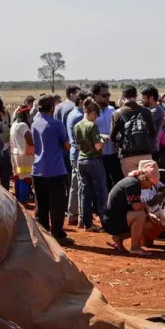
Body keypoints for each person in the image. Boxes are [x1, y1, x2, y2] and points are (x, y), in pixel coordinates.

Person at [31, 94, 74, 246]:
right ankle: (57, 234)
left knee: (41, 204)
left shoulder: (34, 124)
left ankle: (42, 234)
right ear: (52, 108)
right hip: (55, 169)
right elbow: (66, 145)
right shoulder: (56, 125)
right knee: (57, 204)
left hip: (37, 169)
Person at [103, 161, 160, 255]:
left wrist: (148, 212)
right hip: (111, 220)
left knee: (147, 222)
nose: (150, 187)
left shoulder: (134, 182)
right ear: (145, 179)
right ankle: (135, 247)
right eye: (151, 184)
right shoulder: (133, 184)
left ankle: (119, 238)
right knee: (140, 215)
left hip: (114, 218)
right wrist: (147, 209)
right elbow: (136, 207)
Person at [74, 98, 110, 232]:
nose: (96, 117)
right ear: (92, 112)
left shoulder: (77, 126)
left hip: (81, 160)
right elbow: (97, 146)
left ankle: (87, 223)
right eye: (96, 114)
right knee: (101, 192)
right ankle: (105, 223)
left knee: (85, 193)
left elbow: (78, 146)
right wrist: (103, 140)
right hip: (94, 161)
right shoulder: (92, 126)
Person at [112, 85, 157, 175]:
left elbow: (113, 136)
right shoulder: (146, 111)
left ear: (123, 98)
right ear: (136, 97)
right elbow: (153, 133)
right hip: (145, 153)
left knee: (132, 181)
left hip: (127, 155)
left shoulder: (117, 113)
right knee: (147, 181)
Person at [65, 91, 92, 227]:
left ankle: (73, 215)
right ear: (82, 101)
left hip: (74, 153)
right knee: (82, 187)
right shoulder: (80, 116)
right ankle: (82, 218)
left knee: (75, 185)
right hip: (80, 154)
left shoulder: (72, 113)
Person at [91, 82, 122, 188]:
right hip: (99, 155)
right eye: (104, 95)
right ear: (95, 96)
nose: (107, 98)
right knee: (103, 185)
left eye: (108, 95)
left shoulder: (112, 110)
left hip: (114, 154)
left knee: (118, 182)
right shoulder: (91, 112)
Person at [10, 106, 35, 186]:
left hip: (16, 154)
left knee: (19, 176)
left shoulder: (14, 124)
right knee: (26, 177)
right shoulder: (23, 125)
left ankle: (18, 194)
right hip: (25, 156)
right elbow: (30, 141)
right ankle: (24, 194)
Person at [141, 86, 165, 162]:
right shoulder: (149, 109)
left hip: (151, 149)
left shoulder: (156, 110)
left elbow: (140, 121)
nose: (142, 100)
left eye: (144, 98)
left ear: (151, 98)